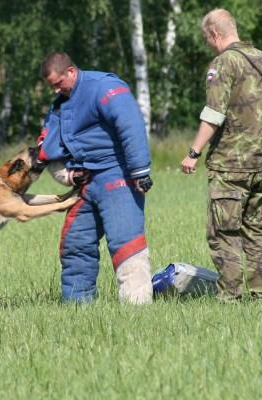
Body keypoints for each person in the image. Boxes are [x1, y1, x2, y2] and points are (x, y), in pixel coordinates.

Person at [180, 9, 262, 302]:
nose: (208, 45)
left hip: (230, 166)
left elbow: (213, 114)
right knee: (256, 233)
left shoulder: (223, 63)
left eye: (207, 39)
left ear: (215, 34)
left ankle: (230, 299)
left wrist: (193, 152)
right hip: (261, 164)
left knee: (224, 234)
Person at [36, 52, 153, 304]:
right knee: (75, 245)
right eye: (51, 86)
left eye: (58, 83)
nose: (55, 90)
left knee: (126, 242)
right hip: (85, 183)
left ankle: (138, 307)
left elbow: (130, 125)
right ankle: (78, 307)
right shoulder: (60, 103)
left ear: (71, 71)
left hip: (118, 176)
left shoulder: (104, 87)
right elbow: (48, 145)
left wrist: (140, 171)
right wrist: (67, 176)